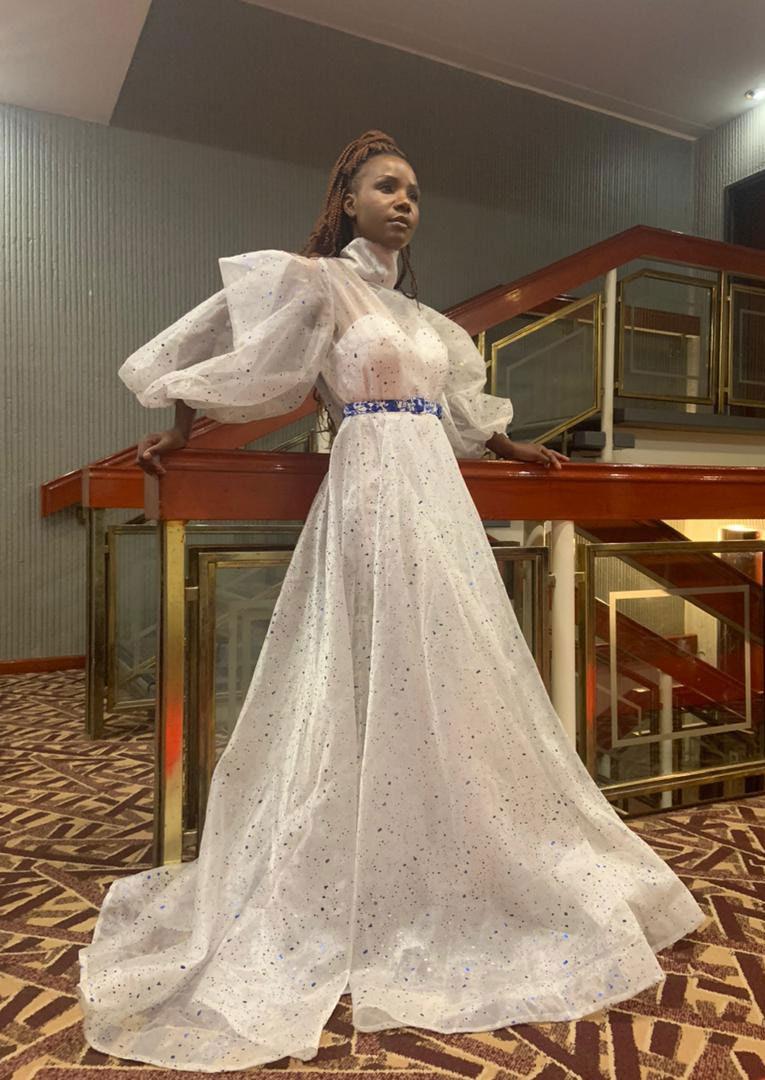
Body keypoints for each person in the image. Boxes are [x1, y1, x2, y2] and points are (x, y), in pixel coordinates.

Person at [78, 131, 706, 1072]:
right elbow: (224, 347)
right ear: (347, 200)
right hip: (368, 483)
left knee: (451, 662)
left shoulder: (424, 320)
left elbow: (454, 411)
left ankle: (449, 844)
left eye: (413, 188)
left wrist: (508, 447)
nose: (405, 200)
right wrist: (179, 429)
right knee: (365, 657)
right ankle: (352, 857)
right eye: (386, 186)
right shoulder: (317, 282)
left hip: (435, 494)